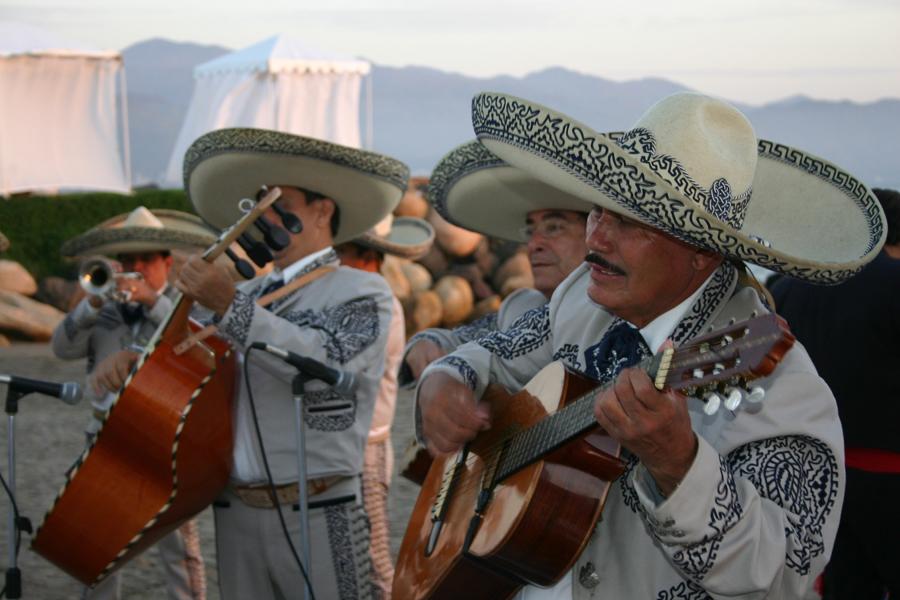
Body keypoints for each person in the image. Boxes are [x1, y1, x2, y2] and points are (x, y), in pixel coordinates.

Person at [412, 91, 887, 599]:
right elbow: (497, 353)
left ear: (702, 252)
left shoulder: (780, 386)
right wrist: (447, 378)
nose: (597, 238)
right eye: (597, 211)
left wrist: (679, 465)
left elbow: (781, 571)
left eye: (630, 221)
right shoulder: (579, 302)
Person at [170, 128, 406, 600]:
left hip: (320, 508)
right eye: (261, 203)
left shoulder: (365, 291)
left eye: (282, 203)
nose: (267, 216)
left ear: (324, 210)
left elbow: (328, 363)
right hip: (235, 509)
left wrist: (228, 307)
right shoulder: (250, 294)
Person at [51, 207, 213, 600]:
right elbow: (61, 347)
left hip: (162, 438)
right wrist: (89, 305)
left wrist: (154, 300)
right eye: (127, 260)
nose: (134, 267)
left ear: (166, 263)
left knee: (178, 550)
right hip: (103, 438)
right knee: (97, 545)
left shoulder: (185, 305)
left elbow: (199, 351)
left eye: (144, 259)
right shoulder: (102, 308)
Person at [770, 187, 900, 600]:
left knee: (846, 589)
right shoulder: (893, 283)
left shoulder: (785, 286)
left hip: (817, 479)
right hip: (890, 474)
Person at [401, 140, 592, 385]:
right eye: (530, 231)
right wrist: (426, 342)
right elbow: (461, 338)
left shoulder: (614, 314)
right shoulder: (522, 306)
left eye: (554, 228)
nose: (534, 244)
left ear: (595, 235)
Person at [335, 213, 434, 599]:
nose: (333, 262)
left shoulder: (380, 304)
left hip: (368, 448)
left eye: (340, 252)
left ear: (365, 257)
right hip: (353, 445)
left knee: (373, 560)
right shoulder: (361, 299)